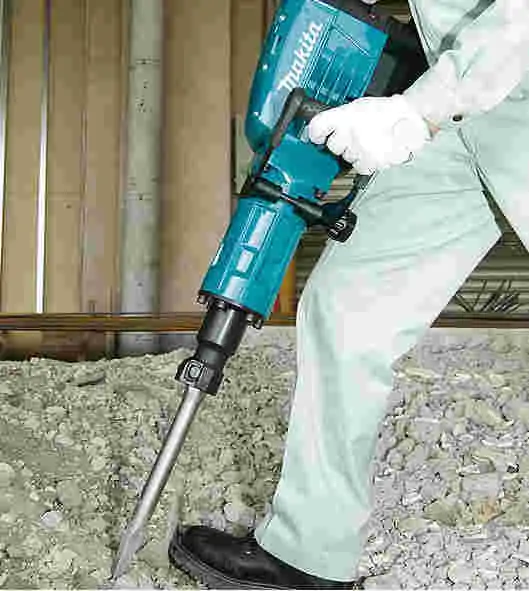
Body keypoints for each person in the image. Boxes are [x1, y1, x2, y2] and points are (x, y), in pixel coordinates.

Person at [168, 0, 529, 588]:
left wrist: (417, 110)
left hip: (488, 80)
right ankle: (310, 551)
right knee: (348, 305)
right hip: (460, 106)